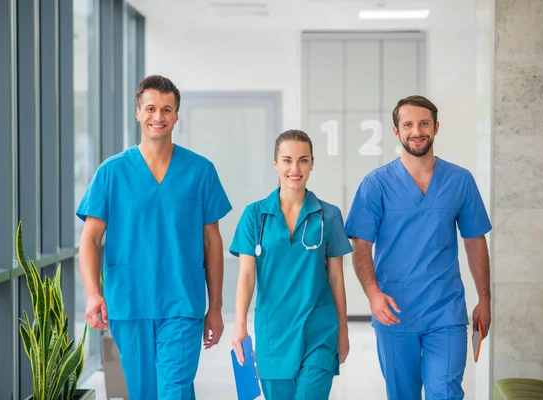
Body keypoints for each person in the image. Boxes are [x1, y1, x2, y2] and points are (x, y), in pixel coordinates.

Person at [76, 75, 232, 400]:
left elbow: (212, 243)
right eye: (150, 108)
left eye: (166, 109)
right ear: (138, 113)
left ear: (176, 115)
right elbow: (90, 238)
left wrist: (215, 306)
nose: (158, 117)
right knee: (145, 394)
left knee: (173, 390)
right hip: (129, 304)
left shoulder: (200, 171)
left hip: (182, 304)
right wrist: (93, 294)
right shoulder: (112, 172)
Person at [345, 95, 492, 400]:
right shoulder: (376, 184)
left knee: (446, 392)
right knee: (403, 394)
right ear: (396, 132)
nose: (417, 130)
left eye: (424, 123)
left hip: (446, 309)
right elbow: (361, 247)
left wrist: (484, 299)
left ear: (436, 127)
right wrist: (373, 295)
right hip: (394, 310)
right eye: (408, 124)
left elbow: (475, 240)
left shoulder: (460, 181)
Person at [230, 130, 351, 400]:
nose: (295, 169)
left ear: (312, 163)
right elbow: (247, 276)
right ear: (275, 163)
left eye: (303, 160)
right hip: (274, 334)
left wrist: (342, 330)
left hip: (318, 330)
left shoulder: (328, 215)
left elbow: (336, 278)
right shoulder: (254, 215)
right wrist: (240, 325)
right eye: (287, 160)